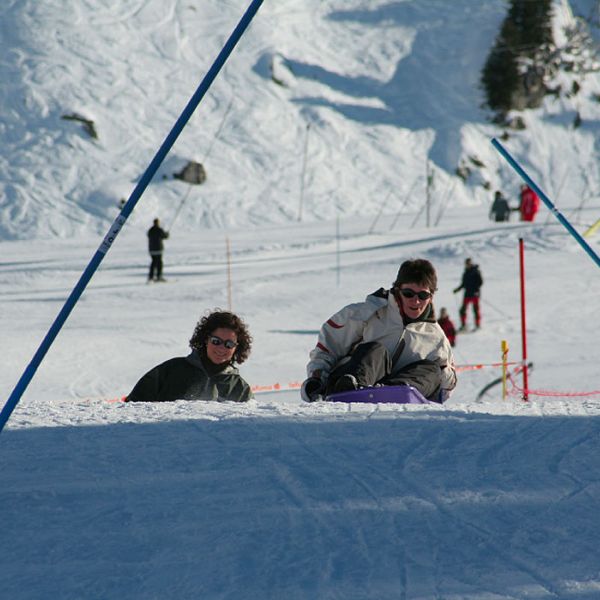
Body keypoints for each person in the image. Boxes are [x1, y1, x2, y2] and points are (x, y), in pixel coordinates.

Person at [301, 259, 457, 403]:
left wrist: (442, 374)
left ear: (431, 297)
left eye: (423, 295)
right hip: (346, 384)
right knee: (376, 350)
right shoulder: (367, 313)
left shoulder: (436, 338)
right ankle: (352, 387)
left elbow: (446, 387)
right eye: (408, 293)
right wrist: (317, 378)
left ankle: (396, 391)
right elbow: (328, 347)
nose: (415, 301)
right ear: (398, 290)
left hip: (399, 395)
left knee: (432, 369)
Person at [126, 310, 253, 402]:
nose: (221, 348)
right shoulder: (171, 370)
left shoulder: (240, 389)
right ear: (205, 339)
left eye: (229, 344)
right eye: (216, 341)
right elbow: (131, 409)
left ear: (237, 347)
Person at [453, 258, 483, 331]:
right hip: (467, 294)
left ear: (471, 263)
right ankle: (463, 325)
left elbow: (480, 282)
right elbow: (463, 284)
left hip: (475, 294)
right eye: (466, 264)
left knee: (475, 310)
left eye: (469, 263)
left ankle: (477, 325)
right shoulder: (465, 273)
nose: (467, 265)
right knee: (462, 310)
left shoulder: (476, 271)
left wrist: (476, 290)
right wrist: (457, 289)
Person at [147, 218, 169, 282]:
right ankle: (159, 276)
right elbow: (165, 236)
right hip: (158, 249)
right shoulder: (159, 230)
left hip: (152, 250)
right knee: (159, 263)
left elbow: (148, 235)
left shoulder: (150, 230)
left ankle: (151, 277)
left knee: (153, 262)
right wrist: (167, 234)